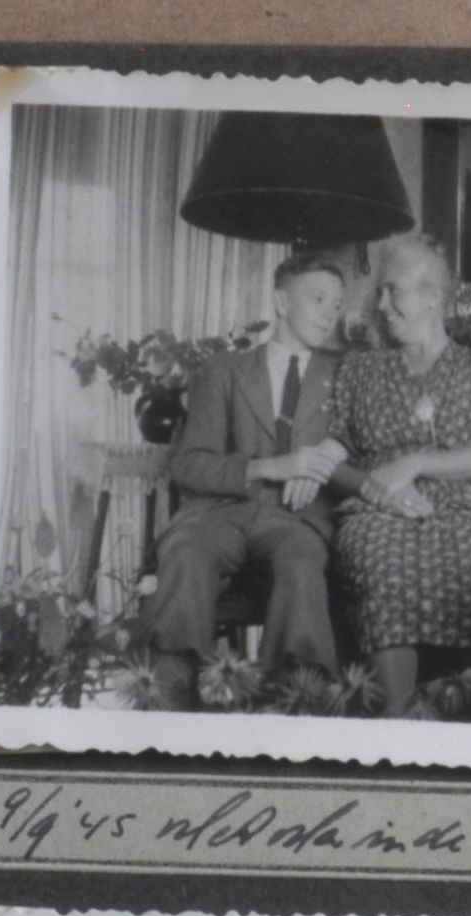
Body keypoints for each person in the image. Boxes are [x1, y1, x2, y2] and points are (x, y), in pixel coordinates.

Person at [148, 249, 351, 708]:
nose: (330, 314)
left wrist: (327, 455)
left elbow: (364, 439)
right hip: (219, 513)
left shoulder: (345, 375)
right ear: (281, 302)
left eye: (337, 304)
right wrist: (268, 467)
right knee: (186, 551)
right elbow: (189, 465)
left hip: (297, 519)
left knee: (301, 561)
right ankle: (171, 701)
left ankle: (295, 704)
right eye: (318, 299)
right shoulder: (224, 370)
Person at [332, 233, 471, 716]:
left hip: (461, 509)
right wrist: (379, 489)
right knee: (383, 567)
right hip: (378, 509)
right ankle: (397, 729)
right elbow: (336, 455)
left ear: (432, 296)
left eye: (393, 290)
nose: (382, 304)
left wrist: (414, 463)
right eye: (380, 292)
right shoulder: (359, 370)